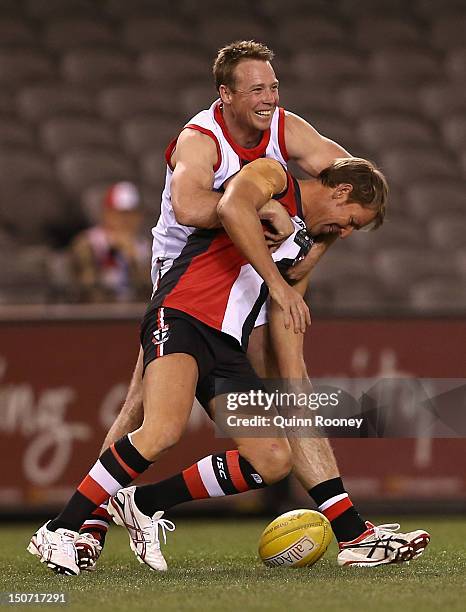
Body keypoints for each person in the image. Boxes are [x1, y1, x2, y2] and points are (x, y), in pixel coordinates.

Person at [29, 41, 429, 572]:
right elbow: (202, 207)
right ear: (226, 94)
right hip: (187, 283)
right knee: (147, 412)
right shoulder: (214, 146)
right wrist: (265, 226)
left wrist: (311, 250)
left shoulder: (289, 139)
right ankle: (81, 527)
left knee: (283, 420)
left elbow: (355, 184)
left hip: (239, 303)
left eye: (274, 87)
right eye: (257, 89)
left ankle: (145, 503)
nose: (269, 99)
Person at [70, 181, 151, 302]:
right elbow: (84, 287)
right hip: (99, 313)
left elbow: (152, 289)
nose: (126, 220)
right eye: (120, 214)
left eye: (132, 214)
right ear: (106, 213)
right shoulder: (88, 243)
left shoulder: (147, 246)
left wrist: (134, 261)